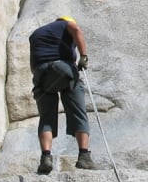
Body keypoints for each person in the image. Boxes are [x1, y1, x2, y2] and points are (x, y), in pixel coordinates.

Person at [29, 15, 97, 173]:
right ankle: (84, 156)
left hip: (41, 75)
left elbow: (33, 64)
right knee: (78, 111)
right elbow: (76, 29)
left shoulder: (36, 34)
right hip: (62, 69)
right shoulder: (66, 24)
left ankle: (46, 157)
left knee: (46, 116)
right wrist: (83, 56)